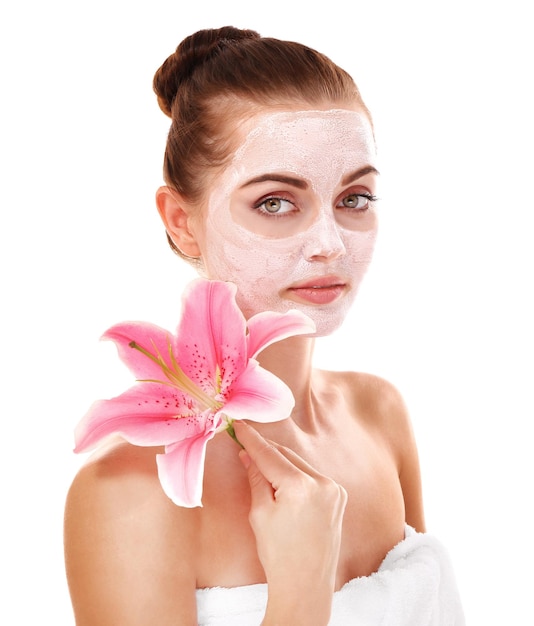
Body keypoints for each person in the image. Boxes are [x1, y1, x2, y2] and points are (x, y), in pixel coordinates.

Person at [64, 26, 464, 625]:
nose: (329, 245)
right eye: (275, 202)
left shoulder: (379, 414)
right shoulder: (130, 491)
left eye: (354, 198)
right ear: (181, 222)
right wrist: (300, 590)